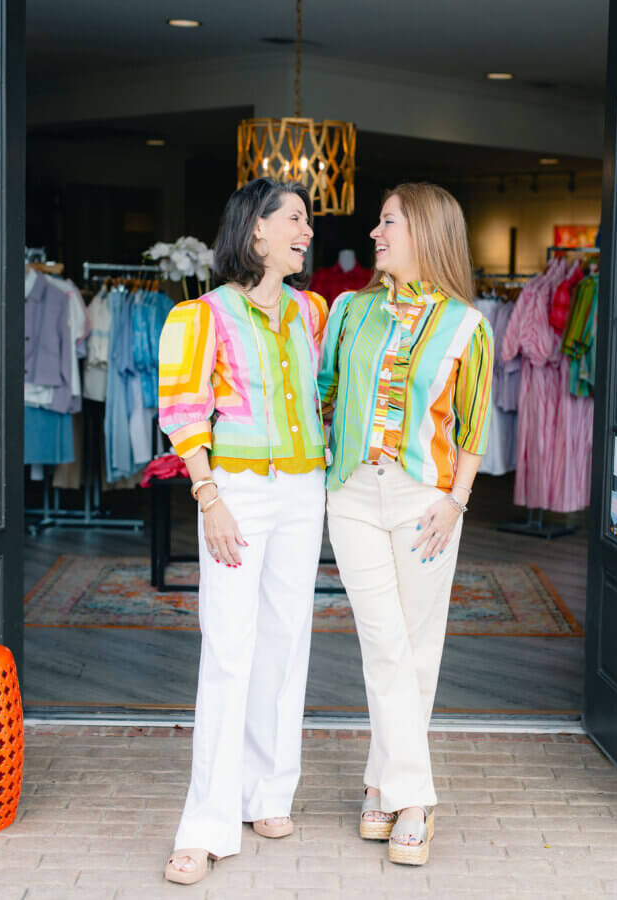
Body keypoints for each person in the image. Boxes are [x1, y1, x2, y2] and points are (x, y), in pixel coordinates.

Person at [158, 178, 329, 884]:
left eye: (308, 221)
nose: (306, 231)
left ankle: (268, 792)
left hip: (303, 489)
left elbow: (320, 398)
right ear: (254, 230)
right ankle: (204, 824)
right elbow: (183, 412)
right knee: (230, 649)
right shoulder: (200, 318)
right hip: (237, 493)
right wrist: (209, 496)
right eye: (294, 218)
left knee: (287, 642)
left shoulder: (312, 312)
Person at [318, 182, 493, 866]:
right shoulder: (347, 312)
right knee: (385, 642)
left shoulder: (465, 325)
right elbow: (322, 394)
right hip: (353, 495)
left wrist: (457, 500)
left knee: (417, 649)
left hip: (427, 499)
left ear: (422, 230)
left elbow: (474, 426)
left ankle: (378, 783)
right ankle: (414, 800)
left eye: (386, 222)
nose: (374, 234)